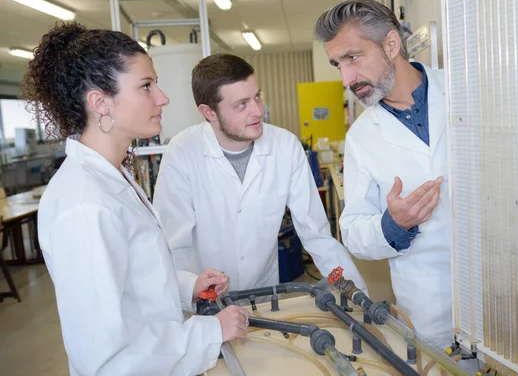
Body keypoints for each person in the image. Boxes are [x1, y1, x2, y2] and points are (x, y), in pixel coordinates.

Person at [26, 22, 249, 376]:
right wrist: (211, 332)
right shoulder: (83, 205)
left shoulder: (113, 177)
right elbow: (107, 360)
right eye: (146, 86)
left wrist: (187, 286)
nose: (163, 97)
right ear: (100, 102)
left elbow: (129, 281)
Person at [153, 54, 367, 296]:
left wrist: (355, 292)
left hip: (264, 295)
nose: (257, 111)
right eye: (241, 104)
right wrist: (184, 295)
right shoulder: (182, 152)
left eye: (257, 97)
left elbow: (316, 235)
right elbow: (173, 246)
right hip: (205, 301)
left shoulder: (285, 146)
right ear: (209, 112)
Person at [314, 0, 452, 348]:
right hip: (427, 304)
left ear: (391, 45)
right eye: (337, 65)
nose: (346, 78)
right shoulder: (361, 137)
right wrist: (393, 224)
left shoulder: (463, 91)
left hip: (501, 289)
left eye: (353, 58)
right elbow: (353, 229)